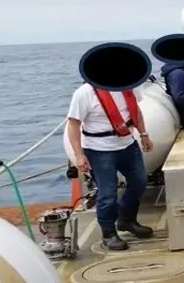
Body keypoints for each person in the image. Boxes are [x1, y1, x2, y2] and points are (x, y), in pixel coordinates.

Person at [67, 83, 155, 251]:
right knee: (107, 194)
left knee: (139, 182)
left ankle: (127, 220)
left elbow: (134, 111)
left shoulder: (129, 85)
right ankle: (108, 233)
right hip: (99, 149)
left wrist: (144, 135)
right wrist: (79, 155)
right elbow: (73, 124)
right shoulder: (84, 93)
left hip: (127, 144)